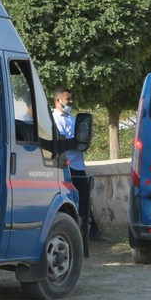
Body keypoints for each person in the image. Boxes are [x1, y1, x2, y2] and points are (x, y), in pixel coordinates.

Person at [52, 87, 92, 251]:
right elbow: (61, 141)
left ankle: (87, 235)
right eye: (67, 99)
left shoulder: (73, 118)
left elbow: (82, 137)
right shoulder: (55, 119)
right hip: (66, 167)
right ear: (58, 101)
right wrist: (75, 142)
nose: (71, 102)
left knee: (84, 203)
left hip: (78, 166)